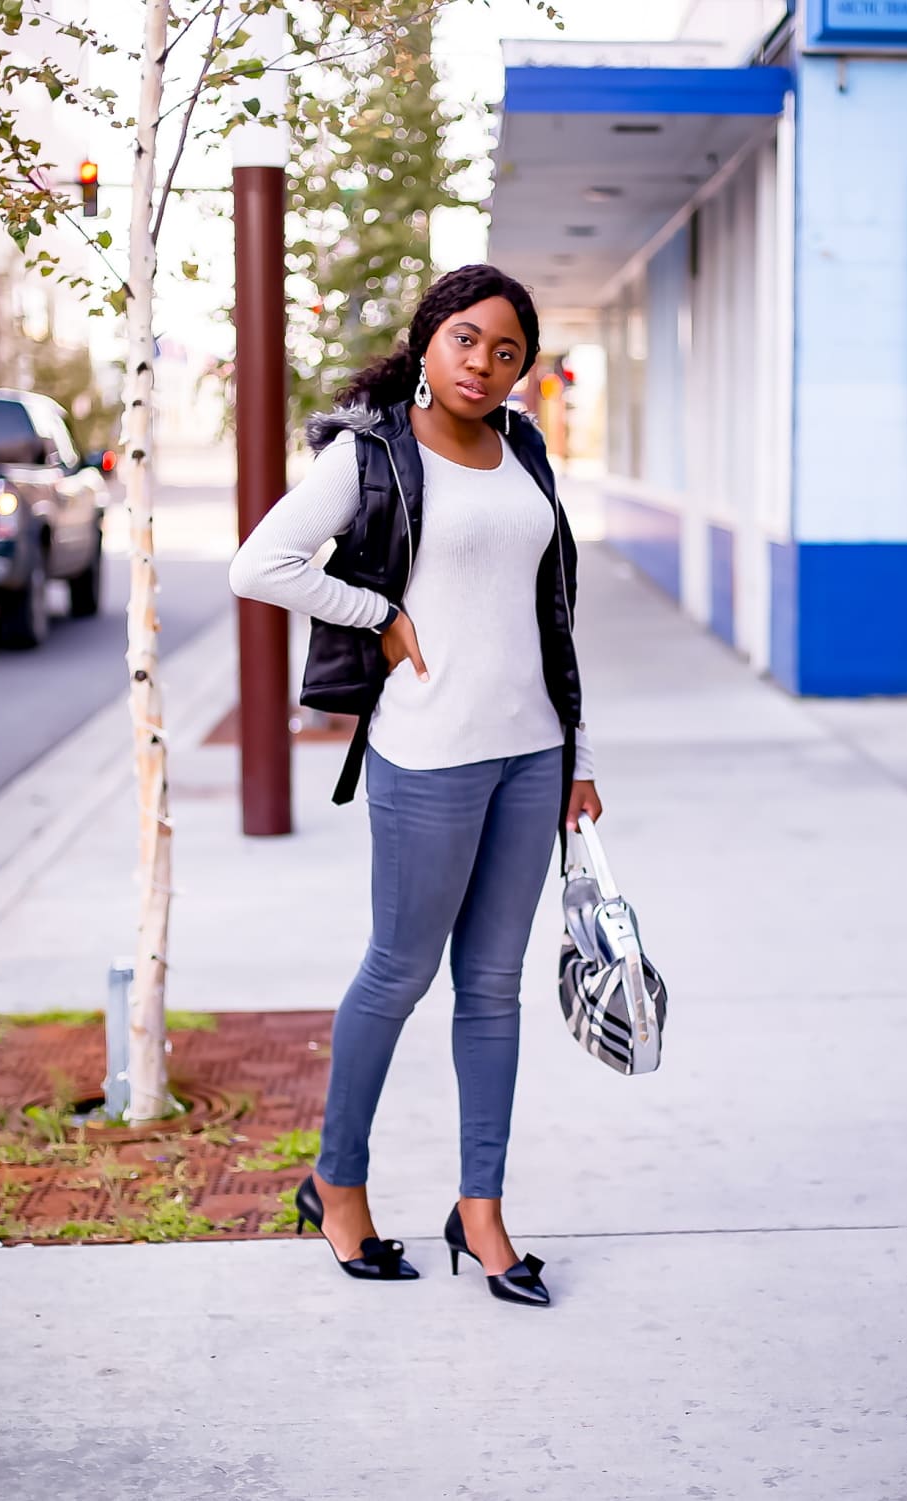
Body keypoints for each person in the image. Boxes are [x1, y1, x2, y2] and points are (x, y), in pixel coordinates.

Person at [228, 263, 600, 1308]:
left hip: (531, 752)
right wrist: (374, 614)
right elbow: (260, 564)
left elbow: (556, 611)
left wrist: (581, 756)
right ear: (429, 338)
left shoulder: (522, 451)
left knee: (492, 989)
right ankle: (337, 1181)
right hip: (427, 756)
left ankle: (479, 1210)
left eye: (509, 351)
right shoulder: (374, 452)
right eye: (468, 340)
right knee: (397, 973)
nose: (486, 363)